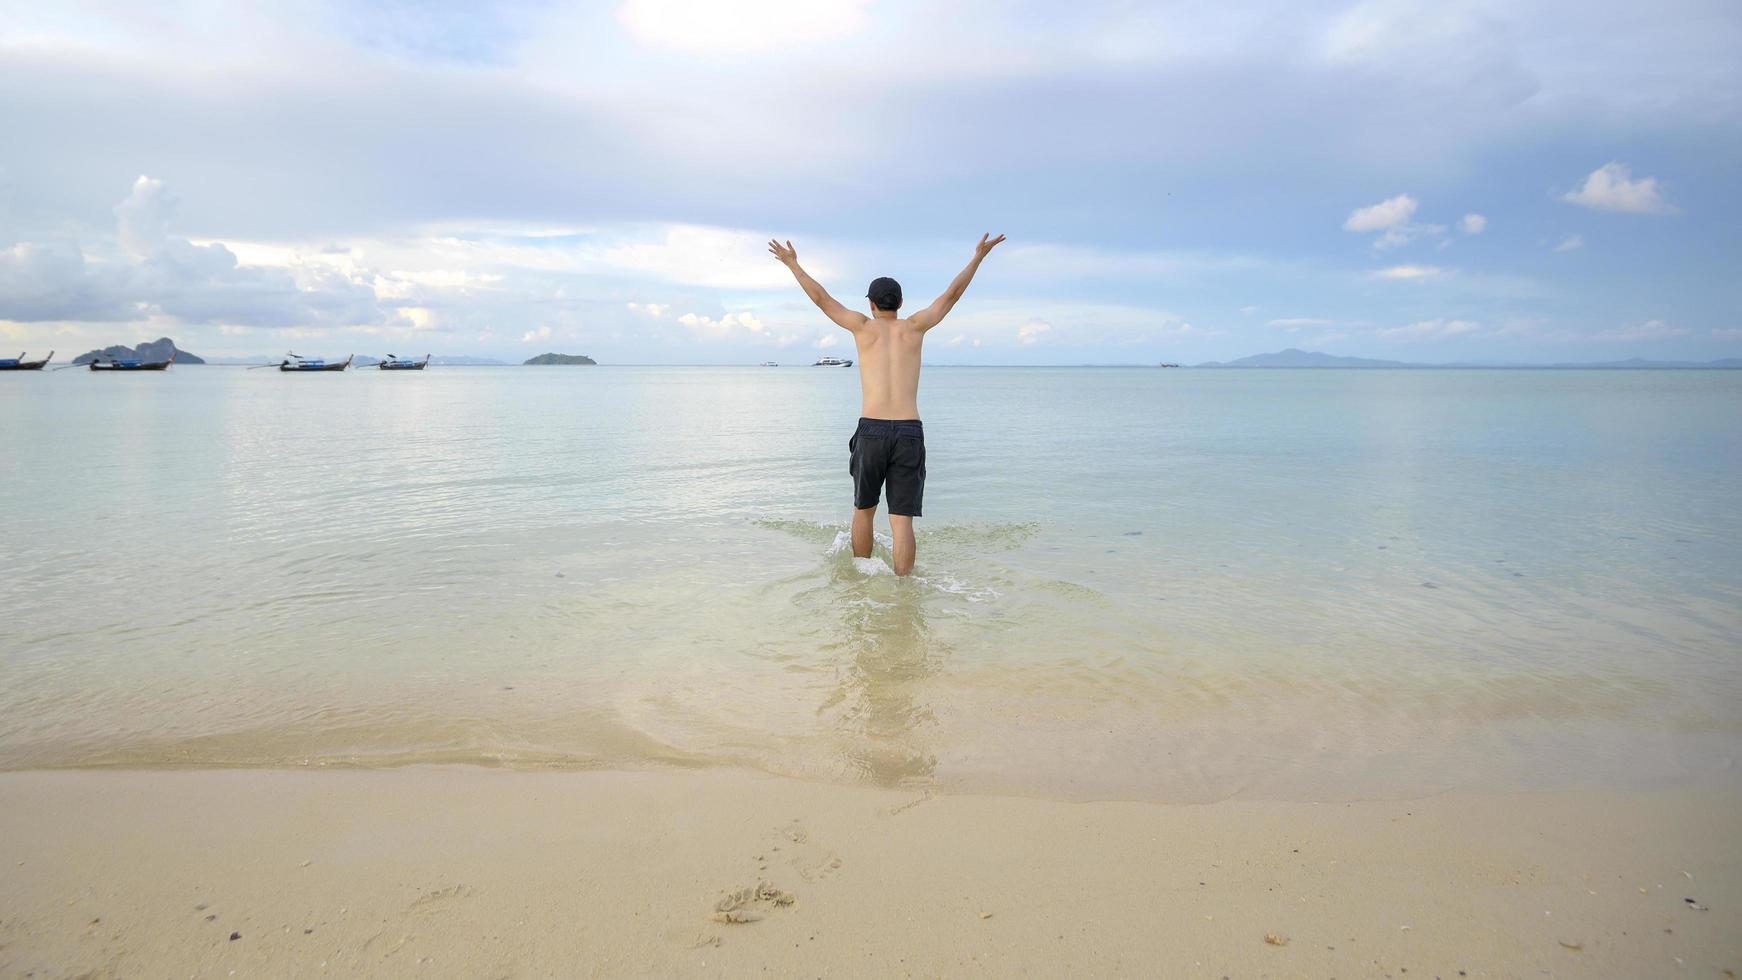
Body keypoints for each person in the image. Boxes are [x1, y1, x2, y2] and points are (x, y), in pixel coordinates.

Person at [769, 233, 1005, 576]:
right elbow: (952, 295)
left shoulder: (862, 327)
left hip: (872, 430)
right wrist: (978, 257)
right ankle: (905, 593)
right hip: (909, 430)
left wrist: (793, 264)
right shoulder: (915, 327)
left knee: (863, 510)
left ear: (872, 304)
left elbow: (821, 299)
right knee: (902, 521)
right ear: (901, 302)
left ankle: (862, 579)